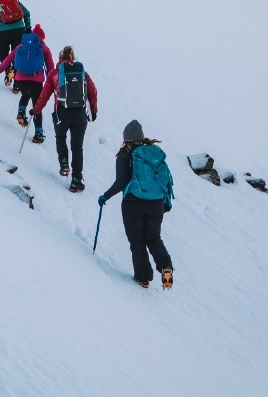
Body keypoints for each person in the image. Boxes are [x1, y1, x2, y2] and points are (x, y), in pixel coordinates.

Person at [98, 120, 175, 290]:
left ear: (126, 139)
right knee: (154, 239)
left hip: (133, 204)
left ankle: (143, 278)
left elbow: (120, 182)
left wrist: (105, 196)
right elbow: (166, 180)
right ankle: (165, 267)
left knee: (137, 241)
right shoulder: (155, 154)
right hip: (156, 204)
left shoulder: (125, 156)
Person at [31, 45, 98, 192]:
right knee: (77, 148)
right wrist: (93, 110)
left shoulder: (54, 74)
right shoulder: (82, 73)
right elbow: (92, 92)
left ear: (60, 59)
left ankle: (64, 164)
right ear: (73, 58)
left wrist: (36, 110)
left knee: (60, 137)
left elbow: (45, 95)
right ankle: (76, 180)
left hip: (62, 112)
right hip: (80, 114)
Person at [0, 24, 53, 143]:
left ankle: (21, 111)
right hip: (36, 81)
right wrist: (52, 81)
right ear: (41, 37)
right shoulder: (43, 48)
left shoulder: (21, 46)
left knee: (25, 95)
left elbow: (8, 59)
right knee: (37, 107)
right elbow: (50, 65)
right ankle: (38, 133)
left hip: (20, 79)